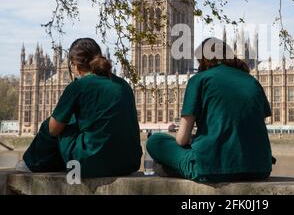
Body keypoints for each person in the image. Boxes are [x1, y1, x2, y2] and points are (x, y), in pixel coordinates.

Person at [146, 37, 273, 183]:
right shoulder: (252, 81)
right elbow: (250, 126)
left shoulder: (199, 79)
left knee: (155, 140)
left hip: (212, 168)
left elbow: (181, 140)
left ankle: (175, 168)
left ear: (203, 59)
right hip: (260, 168)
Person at [16, 38, 142, 178]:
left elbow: (53, 129)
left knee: (51, 124)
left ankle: (32, 163)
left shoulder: (79, 86)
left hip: (91, 164)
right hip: (129, 163)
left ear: (74, 65)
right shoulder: (124, 85)